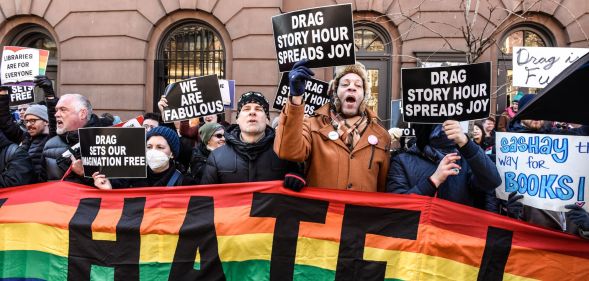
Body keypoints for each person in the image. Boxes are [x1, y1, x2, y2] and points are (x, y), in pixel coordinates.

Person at [274, 60, 391, 192]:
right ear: (334, 92)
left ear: (364, 95)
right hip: (323, 212)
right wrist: (296, 98)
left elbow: (383, 188)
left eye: (358, 85)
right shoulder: (312, 125)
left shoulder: (382, 136)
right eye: (345, 84)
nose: (351, 87)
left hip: (362, 212)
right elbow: (288, 152)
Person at [505, 94, 589, 238]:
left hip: (570, 227)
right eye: (531, 111)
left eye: (541, 111)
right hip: (534, 234)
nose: (537, 116)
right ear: (521, 114)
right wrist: (511, 216)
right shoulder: (509, 145)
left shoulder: (561, 137)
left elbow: (585, 132)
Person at [386, 121, 501, 211]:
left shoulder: (465, 158)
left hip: (457, 237)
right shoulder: (402, 161)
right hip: (419, 238)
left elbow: (492, 181)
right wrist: (432, 182)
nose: (444, 129)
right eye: (439, 125)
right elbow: (396, 209)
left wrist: (466, 144)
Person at [200, 91, 302, 186]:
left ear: (267, 119)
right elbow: (205, 198)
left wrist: (297, 177)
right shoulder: (217, 157)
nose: (252, 112)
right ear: (238, 119)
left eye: (258, 109)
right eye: (246, 109)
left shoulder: (284, 154)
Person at [93, 126, 197, 188]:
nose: (153, 151)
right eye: (149, 147)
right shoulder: (130, 178)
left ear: (172, 154)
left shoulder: (185, 183)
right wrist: (108, 189)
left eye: (160, 147)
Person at [43, 93, 112, 181]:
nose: (56, 114)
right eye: (56, 110)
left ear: (82, 114)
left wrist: (84, 173)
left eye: (63, 110)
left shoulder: (109, 141)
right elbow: (41, 183)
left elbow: (121, 185)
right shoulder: (50, 145)